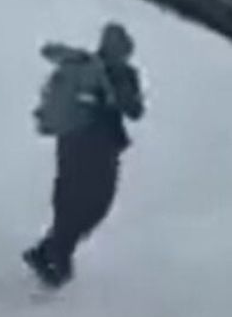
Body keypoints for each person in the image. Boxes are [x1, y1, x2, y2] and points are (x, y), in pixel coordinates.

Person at [23, 23, 144, 289]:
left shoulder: (114, 73)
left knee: (81, 202)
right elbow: (133, 110)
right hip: (86, 143)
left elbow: (135, 110)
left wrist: (118, 91)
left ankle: (50, 253)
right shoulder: (86, 69)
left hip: (84, 143)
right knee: (86, 202)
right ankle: (54, 258)